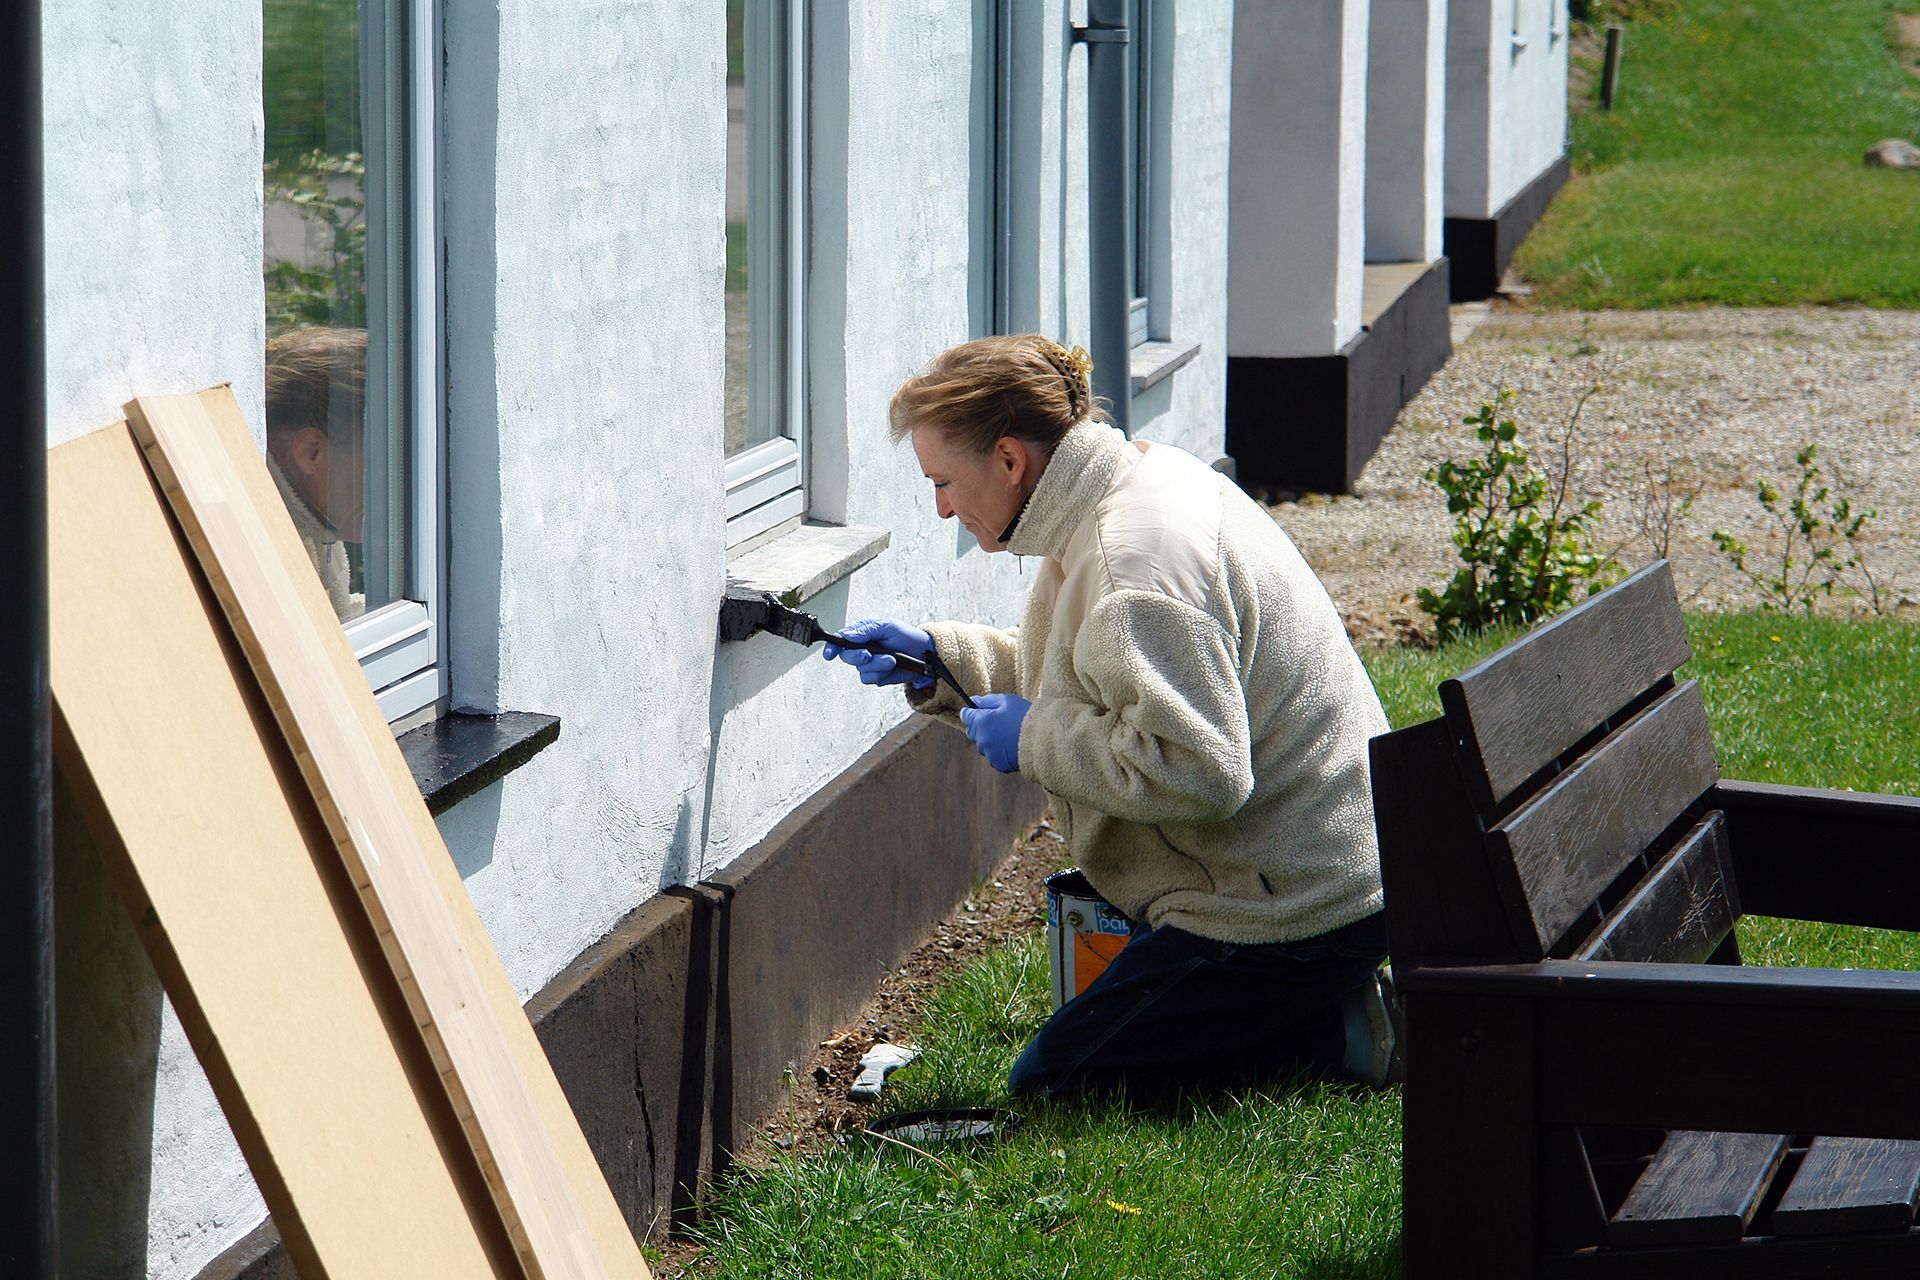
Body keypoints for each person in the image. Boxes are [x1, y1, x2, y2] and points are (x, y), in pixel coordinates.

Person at [824, 334, 1397, 1101]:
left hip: (1291, 909)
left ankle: (1349, 1033)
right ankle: (1316, 1006)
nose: (942, 509)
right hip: (1314, 868)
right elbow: (1098, 678)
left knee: (1059, 1082)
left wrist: (1034, 737)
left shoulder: (1134, 565)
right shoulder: (1122, 486)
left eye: (943, 482)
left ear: (1007, 460)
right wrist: (939, 659)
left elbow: (1202, 770)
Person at [264, 326, 368, 621]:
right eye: (384, 466)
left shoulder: (317, 519)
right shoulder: (268, 552)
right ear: (311, 452)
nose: (407, 491)